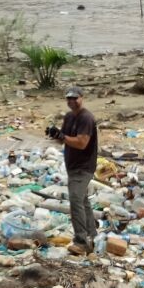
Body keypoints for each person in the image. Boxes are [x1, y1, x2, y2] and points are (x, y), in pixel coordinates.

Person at [48, 86, 98, 256]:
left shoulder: (86, 118)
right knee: (83, 200)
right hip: (72, 166)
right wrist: (56, 135)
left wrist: (62, 137)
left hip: (84, 166)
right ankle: (92, 234)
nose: (72, 101)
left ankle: (81, 241)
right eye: (69, 99)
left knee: (75, 200)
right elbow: (65, 139)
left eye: (75, 98)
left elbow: (82, 143)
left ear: (82, 98)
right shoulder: (69, 117)